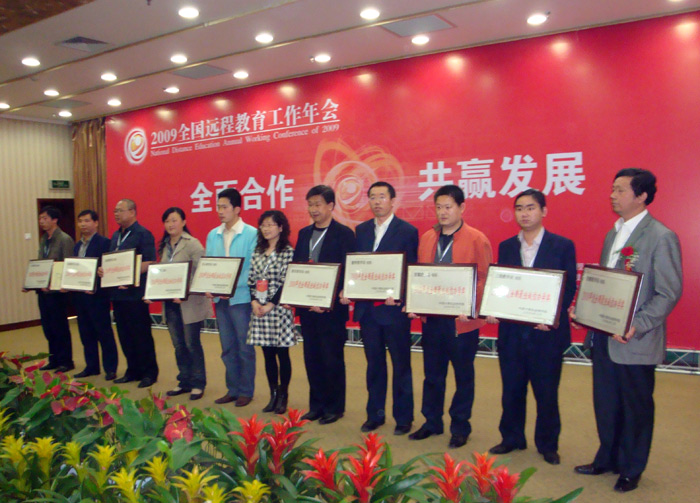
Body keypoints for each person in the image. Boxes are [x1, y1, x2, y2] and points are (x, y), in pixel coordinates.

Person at [574, 168, 682, 493]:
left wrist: (639, 325)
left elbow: (668, 292)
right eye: (612, 189)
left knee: (636, 407)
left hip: (635, 340)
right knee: (606, 403)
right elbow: (607, 285)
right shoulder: (614, 233)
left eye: (620, 190)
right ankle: (607, 457)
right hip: (604, 337)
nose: (613, 195)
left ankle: (632, 468)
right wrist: (584, 310)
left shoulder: (661, 236)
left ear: (642, 196)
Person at [487, 189, 576, 465]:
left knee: (546, 392)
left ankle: (548, 444)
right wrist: (494, 307)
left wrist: (551, 316)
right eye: (519, 208)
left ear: (543, 211)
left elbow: (568, 286)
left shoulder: (562, 245)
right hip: (512, 333)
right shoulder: (506, 246)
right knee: (512, 389)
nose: (524, 214)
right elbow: (502, 285)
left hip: (546, 334)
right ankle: (511, 438)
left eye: (530, 208)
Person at [408, 184, 492, 448]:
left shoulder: (477, 239)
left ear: (461, 208)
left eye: (448, 207)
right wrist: (415, 301)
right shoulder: (427, 237)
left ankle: (460, 426)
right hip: (433, 319)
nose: (442, 212)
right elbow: (420, 276)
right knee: (432, 374)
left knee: (463, 376)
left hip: (461, 322)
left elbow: (484, 278)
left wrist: (471, 306)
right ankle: (431, 421)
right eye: (438, 207)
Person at [342, 181, 418, 435]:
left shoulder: (407, 231)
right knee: (374, 365)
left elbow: (411, 268)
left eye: (382, 197)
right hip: (368, 311)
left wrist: (401, 295)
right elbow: (357, 266)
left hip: (393, 310)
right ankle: (374, 414)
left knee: (401, 365)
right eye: (372, 197)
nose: (377, 202)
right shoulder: (361, 230)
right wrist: (349, 288)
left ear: (393, 200)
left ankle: (404, 418)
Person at [292, 185, 356, 425]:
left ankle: (334, 407)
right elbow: (298, 267)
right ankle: (316, 405)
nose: (313, 209)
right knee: (312, 358)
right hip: (308, 308)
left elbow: (349, 269)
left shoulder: (344, 234)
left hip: (331, 310)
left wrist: (331, 298)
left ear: (331, 206)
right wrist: (294, 297)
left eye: (318, 204)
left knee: (332, 358)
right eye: (310, 205)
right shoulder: (304, 233)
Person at [205, 188, 257, 407]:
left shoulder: (251, 233)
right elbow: (209, 265)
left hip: (241, 299)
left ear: (237, 209)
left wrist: (231, 286)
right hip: (220, 300)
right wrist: (208, 285)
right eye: (218, 206)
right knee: (227, 347)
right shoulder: (213, 235)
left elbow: (252, 268)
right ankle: (232, 389)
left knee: (244, 347)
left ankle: (246, 391)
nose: (220, 211)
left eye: (224, 207)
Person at [155, 207, 212, 401]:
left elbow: (202, 272)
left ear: (183, 222)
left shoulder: (192, 244)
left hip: (189, 303)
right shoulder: (165, 245)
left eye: (174, 220)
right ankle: (184, 380)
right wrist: (153, 291)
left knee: (191, 344)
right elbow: (162, 274)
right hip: (171, 303)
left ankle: (198, 383)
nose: (170, 224)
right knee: (178, 345)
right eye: (167, 221)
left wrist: (185, 291)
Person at [246, 210, 296, 414]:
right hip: (259, 309)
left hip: (279, 310)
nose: (266, 229)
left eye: (270, 225)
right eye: (263, 225)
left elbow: (286, 281)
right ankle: (273, 394)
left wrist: (271, 305)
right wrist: (254, 301)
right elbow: (251, 279)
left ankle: (283, 395)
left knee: (282, 354)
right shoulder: (257, 251)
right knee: (267, 355)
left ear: (281, 227)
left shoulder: (287, 252)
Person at [107, 198, 159, 388]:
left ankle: (149, 373)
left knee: (141, 335)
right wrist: (106, 270)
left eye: (120, 210)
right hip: (118, 295)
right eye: (115, 211)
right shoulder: (115, 235)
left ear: (132, 212)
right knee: (124, 334)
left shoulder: (143, 234)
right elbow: (113, 261)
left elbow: (150, 262)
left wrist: (129, 274)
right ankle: (132, 370)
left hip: (135, 294)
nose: (116, 214)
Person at [27, 206, 75, 372]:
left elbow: (68, 264)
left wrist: (62, 285)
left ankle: (66, 361)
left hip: (57, 292)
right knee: (48, 328)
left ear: (55, 220)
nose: (41, 221)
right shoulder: (44, 239)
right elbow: (41, 264)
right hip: (43, 290)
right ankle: (54, 359)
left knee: (60, 327)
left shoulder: (64, 239)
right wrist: (32, 282)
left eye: (45, 218)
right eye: (40, 218)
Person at [71, 210, 118, 380]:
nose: (83, 224)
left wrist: (96, 284)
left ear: (96, 223)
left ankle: (110, 368)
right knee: (86, 333)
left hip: (98, 296)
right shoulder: (77, 246)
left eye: (87, 221)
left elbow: (108, 270)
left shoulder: (104, 243)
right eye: (80, 221)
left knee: (103, 333)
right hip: (81, 296)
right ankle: (91, 366)